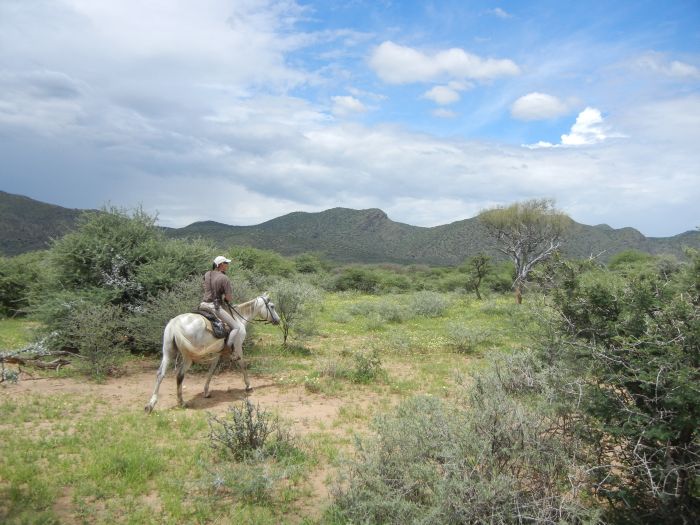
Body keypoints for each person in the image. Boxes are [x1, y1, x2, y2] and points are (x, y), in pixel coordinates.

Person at [200, 255, 238, 352]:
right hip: (214, 307)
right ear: (221, 265)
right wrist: (226, 298)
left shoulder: (207, 274)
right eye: (226, 263)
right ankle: (226, 350)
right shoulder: (224, 278)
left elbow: (205, 287)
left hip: (203, 305)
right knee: (236, 328)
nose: (227, 265)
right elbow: (228, 298)